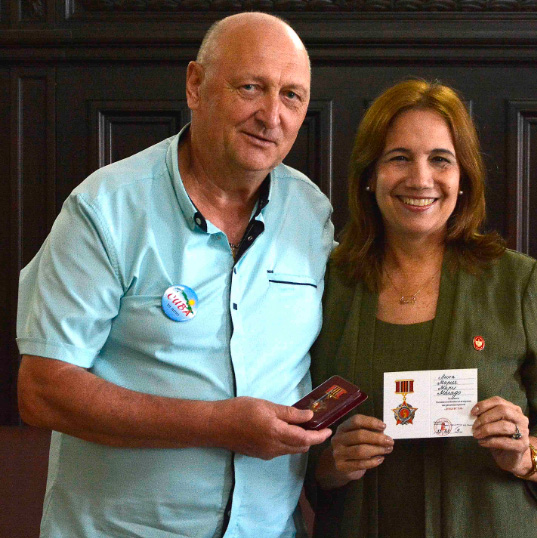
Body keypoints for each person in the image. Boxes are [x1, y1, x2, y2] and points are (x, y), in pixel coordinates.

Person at [16, 12, 334, 538]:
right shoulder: (106, 209)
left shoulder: (310, 212)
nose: (271, 116)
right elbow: (43, 389)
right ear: (195, 85)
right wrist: (219, 424)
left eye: (291, 96)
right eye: (250, 88)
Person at [306, 79, 537, 537]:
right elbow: (295, 428)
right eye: (399, 158)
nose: (420, 179)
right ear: (369, 175)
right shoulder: (325, 285)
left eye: (440, 159)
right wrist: (328, 465)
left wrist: (526, 456)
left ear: (463, 179)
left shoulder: (517, 281)